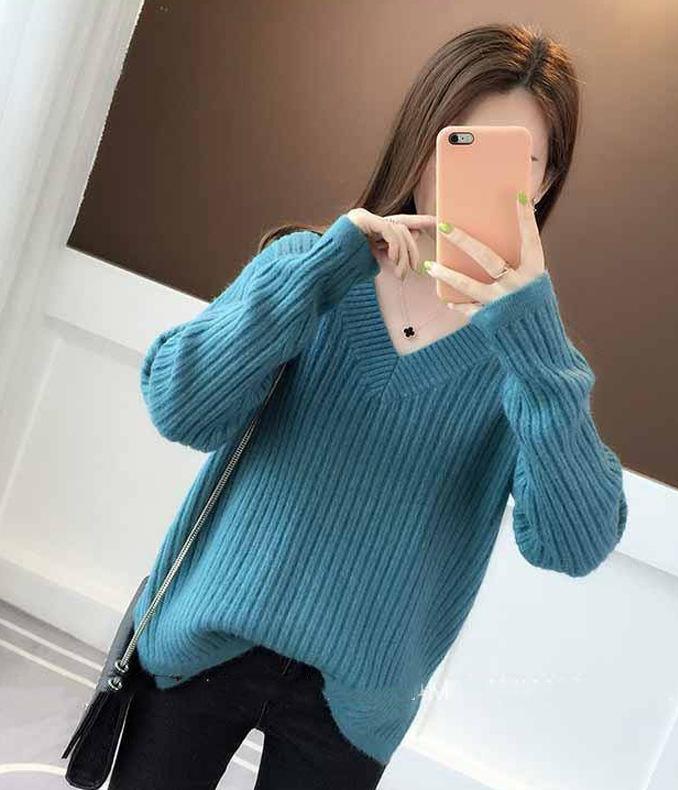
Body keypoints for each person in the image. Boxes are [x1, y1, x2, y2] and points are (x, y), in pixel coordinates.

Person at [109, 21, 628, 790]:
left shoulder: (528, 363)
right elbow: (180, 408)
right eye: (459, 144)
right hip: (202, 642)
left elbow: (572, 545)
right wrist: (318, 271)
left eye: (514, 162)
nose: (473, 178)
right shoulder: (309, 272)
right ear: (419, 139)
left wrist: (537, 345)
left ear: (544, 183)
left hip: (354, 707)